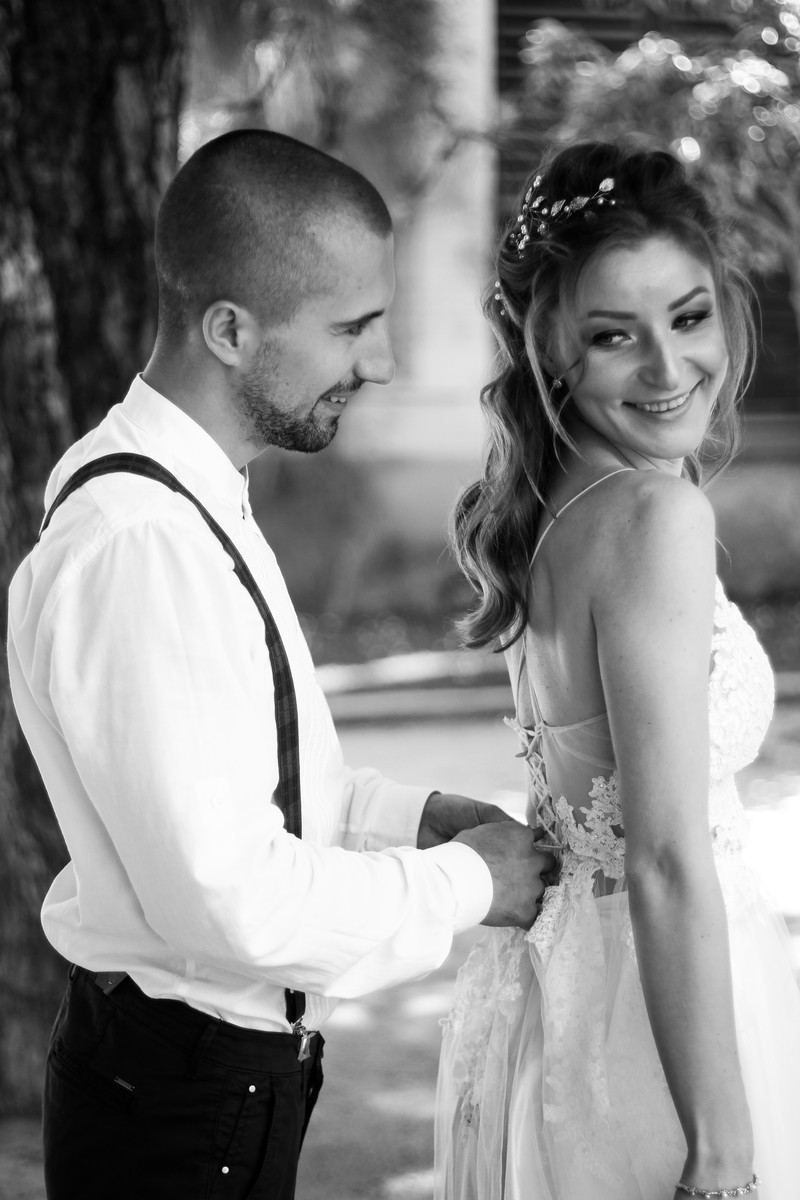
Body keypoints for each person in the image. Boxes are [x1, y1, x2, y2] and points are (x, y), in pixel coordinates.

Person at [6, 129, 554, 1200]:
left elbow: (248, 788)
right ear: (229, 330)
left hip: (201, 1084)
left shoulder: (191, 499)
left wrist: (410, 818)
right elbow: (229, 901)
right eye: (351, 327)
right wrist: (469, 883)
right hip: (178, 1110)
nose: (380, 363)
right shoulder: (142, 544)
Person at [434, 141, 800, 1200]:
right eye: (612, 337)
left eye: (687, 318)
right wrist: (721, 1156)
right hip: (659, 1028)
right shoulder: (652, 514)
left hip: (567, 1001)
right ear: (549, 349)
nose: (668, 368)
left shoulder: (555, 510)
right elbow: (664, 858)